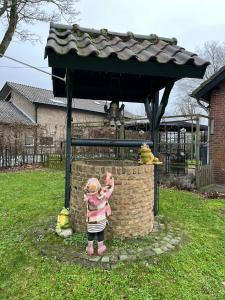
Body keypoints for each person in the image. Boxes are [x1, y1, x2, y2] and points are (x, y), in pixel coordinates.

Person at [84, 173, 114, 256]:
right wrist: (110, 178)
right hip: (101, 220)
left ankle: (90, 249)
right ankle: (100, 248)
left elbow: (93, 195)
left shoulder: (87, 197)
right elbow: (110, 189)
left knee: (91, 233)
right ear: (98, 187)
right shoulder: (103, 196)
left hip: (91, 221)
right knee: (100, 233)